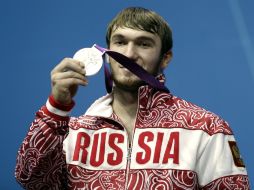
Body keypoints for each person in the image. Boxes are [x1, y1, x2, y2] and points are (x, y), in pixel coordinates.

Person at [15, 7, 250, 190]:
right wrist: (56, 109)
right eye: (120, 42)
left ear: (165, 58)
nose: (128, 54)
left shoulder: (205, 129)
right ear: (106, 54)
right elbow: (30, 179)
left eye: (144, 43)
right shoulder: (72, 132)